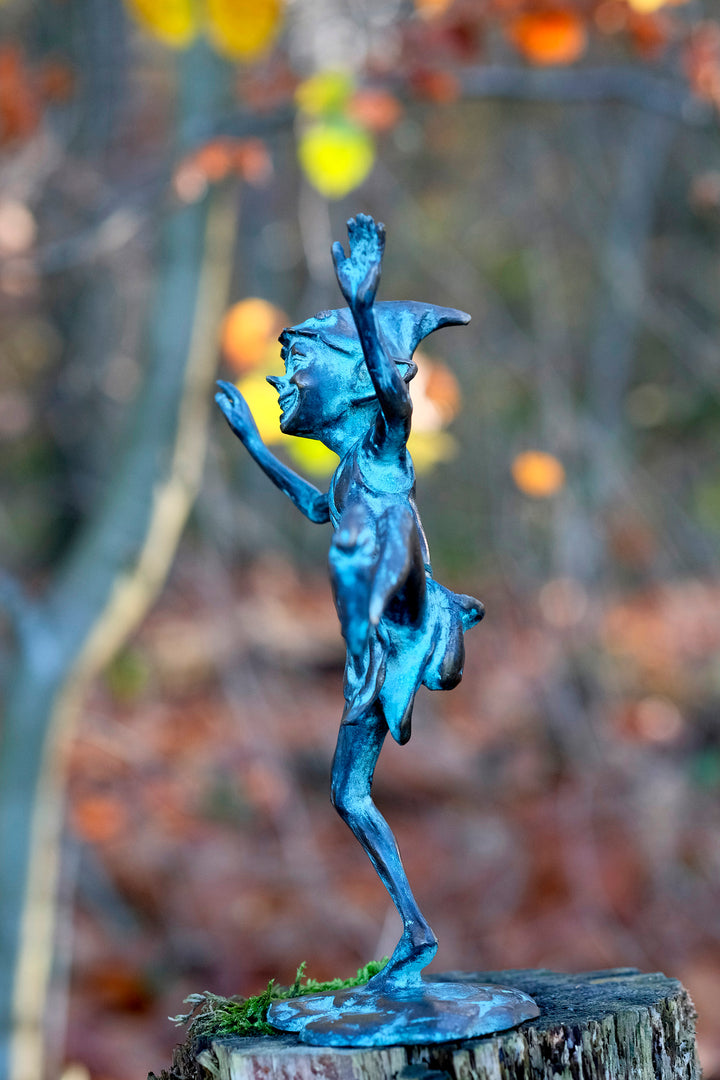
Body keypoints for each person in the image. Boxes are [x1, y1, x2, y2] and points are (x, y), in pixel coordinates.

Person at [216, 213, 483, 988]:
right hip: (365, 657)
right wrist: (254, 444)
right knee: (346, 793)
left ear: (349, 380)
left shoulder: (382, 453)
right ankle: (417, 933)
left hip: (392, 637)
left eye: (291, 362)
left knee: (349, 789)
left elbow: (396, 398)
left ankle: (417, 932)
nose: (277, 379)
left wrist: (363, 308)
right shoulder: (345, 474)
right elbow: (312, 509)